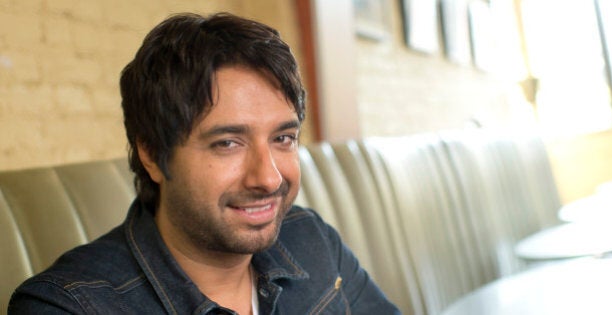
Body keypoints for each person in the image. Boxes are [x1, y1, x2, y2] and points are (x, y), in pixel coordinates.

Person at [8, 12, 400, 314]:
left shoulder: (310, 238)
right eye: (227, 143)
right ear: (152, 155)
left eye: (283, 138)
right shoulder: (69, 306)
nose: (268, 177)